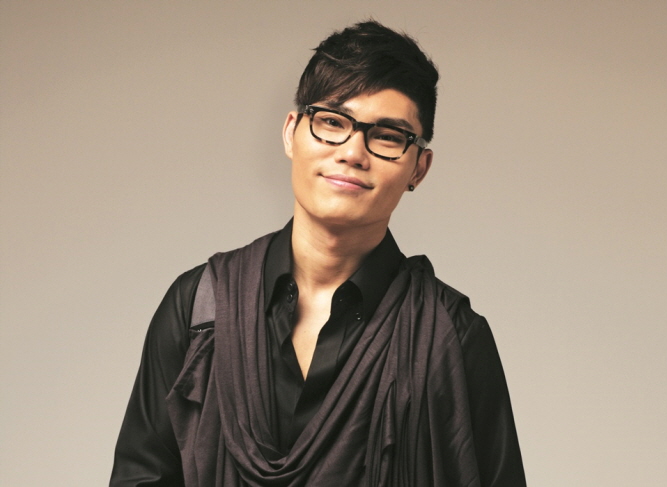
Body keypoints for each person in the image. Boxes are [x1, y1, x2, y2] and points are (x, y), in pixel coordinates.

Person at [110, 20, 526, 487]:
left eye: (388, 136)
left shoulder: (451, 337)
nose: (353, 152)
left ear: (418, 169)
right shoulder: (201, 309)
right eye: (332, 122)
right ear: (292, 132)